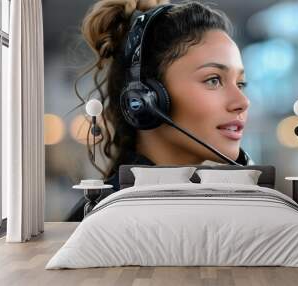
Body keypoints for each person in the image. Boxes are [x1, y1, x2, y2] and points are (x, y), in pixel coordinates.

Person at [69, 0, 253, 221]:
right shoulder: (99, 220)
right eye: (213, 80)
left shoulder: (209, 210)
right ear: (145, 98)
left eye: (240, 84)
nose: (242, 101)